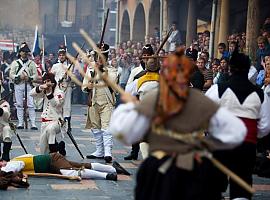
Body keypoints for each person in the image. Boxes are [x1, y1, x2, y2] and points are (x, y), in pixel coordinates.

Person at [109, 48, 247, 200]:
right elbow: (237, 132)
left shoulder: (154, 99)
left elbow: (122, 132)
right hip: (196, 165)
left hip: (163, 168)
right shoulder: (202, 101)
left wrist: (132, 108)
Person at [206, 50, 270, 200]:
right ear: (248, 69)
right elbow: (266, 126)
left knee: (214, 185)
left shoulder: (218, 89)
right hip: (246, 145)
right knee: (241, 185)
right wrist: (253, 135)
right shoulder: (260, 94)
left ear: (230, 68)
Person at [82, 43, 117, 163]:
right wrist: (88, 86)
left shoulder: (111, 70)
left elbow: (111, 82)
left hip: (106, 101)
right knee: (95, 127)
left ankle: (107, 152)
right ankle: (99, 150)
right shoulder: (90, 69)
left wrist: (100, 70)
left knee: (106, 127)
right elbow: (84, 84)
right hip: (93, 100)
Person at [0, 152, 130, 181]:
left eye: (0, 164)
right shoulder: (14, 160)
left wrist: (4, 171)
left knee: (70, 173)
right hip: (53, 162)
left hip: (53, 161)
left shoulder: (12, 162)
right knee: (82, 165)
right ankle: (113, 168)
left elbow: (18, 165)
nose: (1, 165)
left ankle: (108, 176)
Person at [30, 73, 66, 155]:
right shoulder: (44, 91)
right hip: (44, 122)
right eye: (45, 81)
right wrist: (40, 87)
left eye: (48, 81)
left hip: (56, 121)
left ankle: (54, 152)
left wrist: (49, 93)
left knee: (51, 129)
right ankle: (59, 146)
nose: (47, 83)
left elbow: (55, 104)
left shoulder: (60, 93)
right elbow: (31, 94)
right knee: (43, 152)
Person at [9, 42, 38, 130]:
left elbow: (35, 75)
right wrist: (19, 77)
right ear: (20, 52)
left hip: (28, 85)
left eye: (26, 52)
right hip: (19, 85)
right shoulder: (15, 63)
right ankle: (20, 123)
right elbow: (11, 74)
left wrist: (28, 78)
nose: (25, 53)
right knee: (19, 104)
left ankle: (33, 123)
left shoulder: (31, 63)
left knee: (31, 104)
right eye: (23, 51)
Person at [50, 45, 72, 131]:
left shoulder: (70, 66)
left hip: (67, 87)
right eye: (60, 55)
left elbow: (73, 78)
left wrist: (68, 76)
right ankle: (57, 121)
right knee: (58, 104)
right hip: (58, 88)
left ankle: (67, 123)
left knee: (67, 106)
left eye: (63, 55)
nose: (62, 56)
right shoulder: (55, 66)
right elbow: (51, 76)